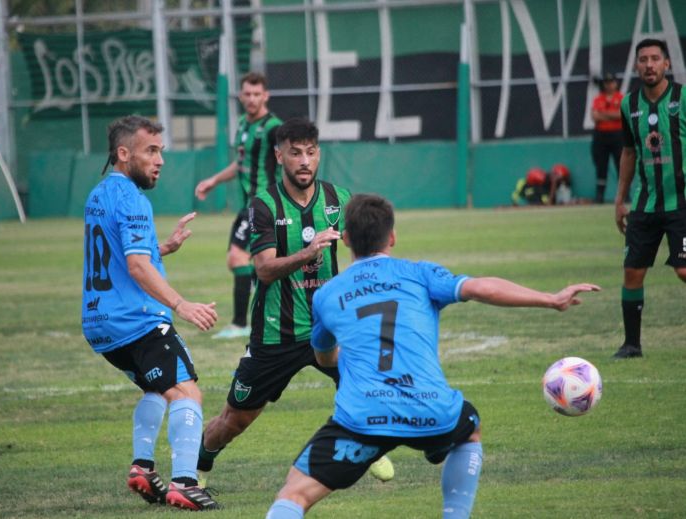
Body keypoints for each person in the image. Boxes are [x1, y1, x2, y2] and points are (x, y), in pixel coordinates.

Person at [265, 193, 600, 519]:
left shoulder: (327, 294)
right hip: (430, 410)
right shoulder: (420, 274)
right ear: (392, 236)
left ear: (347, 239)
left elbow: (323, 356)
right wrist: (549, 299)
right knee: (469, 428)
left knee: (293, 494)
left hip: (362, 419)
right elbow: (481, 287)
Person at [197, 118, 393, 483]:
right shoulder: (263, 205)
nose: (305, 161)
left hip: (330, 328)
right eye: (295, 153)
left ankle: (367, 448)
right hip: (276, 333)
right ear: (279, 155)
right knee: (234, 420)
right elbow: (265, 270)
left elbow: (363, 251)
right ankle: (200, 463)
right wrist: (309, 251)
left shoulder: (340, 199)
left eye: (311, 152)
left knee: (367, 384)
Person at [82, 115, 220, 510]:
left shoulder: (99, 194)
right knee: (187, 392)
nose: (160, 160)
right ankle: (184, 483)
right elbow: (137, 267)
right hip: (136, 320)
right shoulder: (133, 199)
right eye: (151, 151)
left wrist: (163, 249)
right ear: (124, 154)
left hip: (99, 323)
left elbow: (120, 257)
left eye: (161, 151)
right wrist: (182, 304)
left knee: (157, 390)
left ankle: (143, 468)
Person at [195, 72, 282, 340]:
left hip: (264, 203)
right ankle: (268, 316)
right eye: (247, 94)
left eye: (257, 94)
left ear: (265, 96)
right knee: (259, 263)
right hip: (248, 204)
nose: (252, 99)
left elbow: (287, 161)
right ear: (241, 96)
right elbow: (242, 164)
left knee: (237, 257)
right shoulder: (243, 124)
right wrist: (214, 180)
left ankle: (240, 323)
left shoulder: (274, 128)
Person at [613, 38, 686, 359]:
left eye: (655, 58)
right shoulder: (628, 105)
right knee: (632, 272)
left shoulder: (683, 98)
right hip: (645, 204)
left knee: (684, 271)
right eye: (643, 59)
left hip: (681, 203)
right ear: (636, 66)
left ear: (667, 64)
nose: (649, 65)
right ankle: (632, 344)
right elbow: (629, 151)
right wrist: (620, 199)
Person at [591, 73, 625, 203]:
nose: (609, 85)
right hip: (601, 136)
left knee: (621, 165)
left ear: (616, 83)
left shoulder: (621, 97)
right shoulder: (598, 99)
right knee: (601, 166)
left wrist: (604, 114)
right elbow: (595, 117)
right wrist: (612, 114)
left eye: (611, 82)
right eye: (606, 82)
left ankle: (624, 195)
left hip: (618, 135)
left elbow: (621, 115)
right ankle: (600, 196)